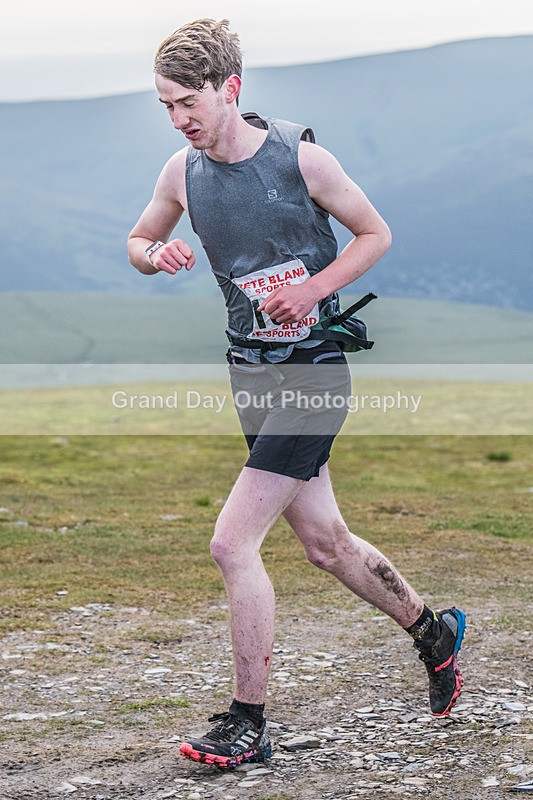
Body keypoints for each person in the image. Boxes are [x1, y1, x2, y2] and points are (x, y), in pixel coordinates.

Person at [128, 18, 466, 770]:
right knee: (324, 544)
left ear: (230, 89)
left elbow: (374, 234)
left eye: (189, 101)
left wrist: (313, 288)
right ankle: (432, 633)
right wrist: (158, 251)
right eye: (165, 105)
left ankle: (248, 721)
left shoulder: (301, 158)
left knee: (230, 542)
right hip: (249, 371)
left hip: (313, 370)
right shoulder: (180, 174)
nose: (179, 118)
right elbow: (137, 242)